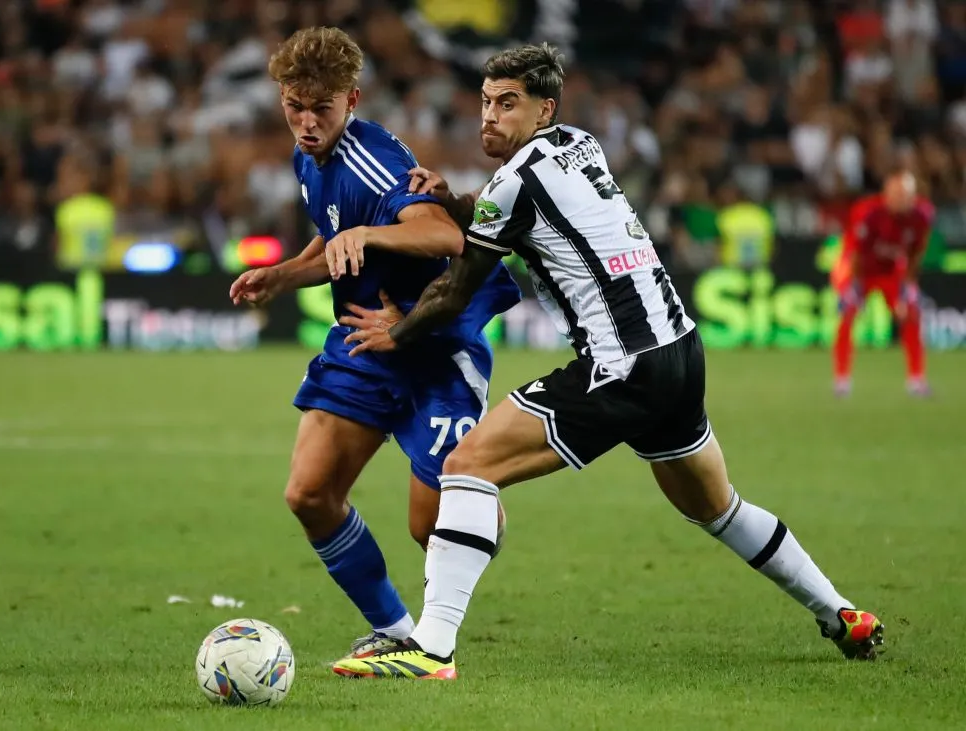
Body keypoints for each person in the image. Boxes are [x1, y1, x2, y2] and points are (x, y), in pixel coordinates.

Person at [332, 43, 884, 680]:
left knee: (466, 467)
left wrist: (398, 333)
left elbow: (457, 285)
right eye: (485, 103)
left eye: (508, 104)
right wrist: (459, 201)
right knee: (717, 507)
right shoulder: (580, 145)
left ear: (544, 109)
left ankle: (430, 648)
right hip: (679, 353)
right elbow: (511, 217)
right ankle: (840, 613)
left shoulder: (514, 182)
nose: (490, 117)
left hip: (620, 363)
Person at [228, 27, 520, 665]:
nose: (306, 123)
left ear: (351, 99)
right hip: (364, 335)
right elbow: (336, 243)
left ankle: (480, 511)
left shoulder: (376, 159)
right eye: (294, 107)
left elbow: (443, 237)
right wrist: (284, 274)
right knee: (309, 494)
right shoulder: (309, 158)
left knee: (431, 528)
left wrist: (372, 229)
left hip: (435, 346)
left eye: (321, 109)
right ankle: (392, 628)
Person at [831, 171, 934, 397]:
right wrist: (854, 287)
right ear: (886, 194)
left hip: (892, 271)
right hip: (859, 269)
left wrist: (908, 282)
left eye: (905, 195)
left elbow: (917, 251)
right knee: (847, 316)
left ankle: (916, 380)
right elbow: (856, 252)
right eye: (896, 194)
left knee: (912, 315)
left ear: (913, 196)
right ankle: (841, 380)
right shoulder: (867, 212)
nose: (901, 200)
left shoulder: (922, 215)